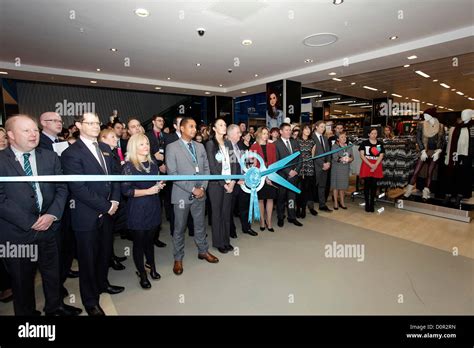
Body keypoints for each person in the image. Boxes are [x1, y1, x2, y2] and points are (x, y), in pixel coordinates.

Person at [0, 115, 80, 316]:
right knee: (22, 281)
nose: (33, 134)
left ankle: (55, 308)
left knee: (53, 274)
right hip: (17, 234)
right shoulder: (1, 160)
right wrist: (31, 222)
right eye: (26, 130)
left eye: (35, 130)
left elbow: (62, 188)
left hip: (49, 228)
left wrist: (52, 215)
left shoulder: (49, 156)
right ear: (10, 135)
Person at [61, 112, 124, 316]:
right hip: (86, 215)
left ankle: (103, 284)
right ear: (79, 125)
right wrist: (106, 206)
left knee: (104, 253)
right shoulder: (71, 153)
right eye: (90, 123)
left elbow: (115, 177)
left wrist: (114, 200)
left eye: (97, 123)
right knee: (88, 260)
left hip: (108, 211)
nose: (96, 126)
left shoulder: (104, 149)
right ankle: (91, 302)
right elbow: (78, 188)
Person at [165, 117, 219, 276]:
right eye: (190, 126)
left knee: (200, 224)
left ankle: (203, 251)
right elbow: (172, 174)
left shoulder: (200, 146)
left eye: (195, 126)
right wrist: (192, 189)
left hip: (200, 193)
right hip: (182, 195)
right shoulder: (172, 147)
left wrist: (202, 187)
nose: (194, 129)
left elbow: (206, 169)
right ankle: (178, 258)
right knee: (179, 228)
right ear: (182, 128)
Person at [121, 134, 165, 289]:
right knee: (139, 243)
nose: (146, 146)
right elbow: (126, 191)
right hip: (137, 209)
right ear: (134, 147)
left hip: (153, 206)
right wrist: (148, 191)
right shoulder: (128, 166)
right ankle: (142, 273)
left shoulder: (153, 164)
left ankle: (151, 266)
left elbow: (156, 183)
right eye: (141, 144)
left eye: (147, 143)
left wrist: (159, 185)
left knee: (150, 241)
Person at [205, 118, 237, 253]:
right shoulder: (210, 144)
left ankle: (226, 240)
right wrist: (223, 183)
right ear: (214, 128)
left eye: (224, 124)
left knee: (226, 213)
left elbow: (234, 163)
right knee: (217, 213)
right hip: (216, 185)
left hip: (230, 182)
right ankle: (218, 242)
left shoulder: (228, 143)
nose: (224, 127)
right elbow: (212, 167)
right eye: (220, 125)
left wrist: (233, 181)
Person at [99, 129, 128, 270]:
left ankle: (112, 256)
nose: (116, 139)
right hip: (108, 200)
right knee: (106, 234)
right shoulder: (104, 154)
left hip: (116, 196)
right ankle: (109, 259)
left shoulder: (113, 153)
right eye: (112, 137)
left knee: (110, 232)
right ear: (102, 138)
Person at [164, 116, 195, 238]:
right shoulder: (170, 140)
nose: (193, 129)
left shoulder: (196, 145)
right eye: (190, 126)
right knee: (178, 221)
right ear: (178, 127)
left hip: (195, 184)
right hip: (178, 185)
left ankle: (193, 232)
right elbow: (172, 169)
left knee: (196, 219)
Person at [226, 124, 258, 237]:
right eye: (238, 133)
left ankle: (246, 227)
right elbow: (226, 168)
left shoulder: (239, 146)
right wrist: (236, 179)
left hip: (243, 182)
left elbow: (242, 163)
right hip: (232, 183)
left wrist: (251, 162)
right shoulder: (226, 147)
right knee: (230, 209)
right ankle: (231, 230)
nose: (241, 134)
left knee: (245, 206)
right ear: (231, 134)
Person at [145, 114, 167, 248]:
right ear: (153, 122)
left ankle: (156, 237)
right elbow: (144, 154)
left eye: (163, 120)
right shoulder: (147, 136)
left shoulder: (165, 136)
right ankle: (149, 238)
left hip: (165, 173)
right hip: (152, 172)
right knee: (152, 204)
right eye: (159, 120)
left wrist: (166, 164)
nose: (162, 122)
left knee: (160, 205)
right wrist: (157, 162)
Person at [250, 127, 278, 231]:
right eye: (264, 133)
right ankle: (262, 221)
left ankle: (269, 221)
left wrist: (270, 176)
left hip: (270, 176)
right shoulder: (253, 147)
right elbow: (252, 165)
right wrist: (262, 176)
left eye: (267, 133)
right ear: (259, 134)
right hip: (259, 177)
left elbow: (274, 162)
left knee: (270, 198)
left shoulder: (272, 146)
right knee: (260, 199)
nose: (266, 135)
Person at [275, 123, 303, 227]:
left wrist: (296, 170)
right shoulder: (276, 144)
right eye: (286, 130)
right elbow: (277, 161)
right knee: (281, 198)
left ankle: (292, 217)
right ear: (281, 132)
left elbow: (300, 158)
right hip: (282, 176)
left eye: (289, 130)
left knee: (292, 197)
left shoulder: (295, 142)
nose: (289, 132)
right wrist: (288, 171)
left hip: (294, 175)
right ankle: (280, 217)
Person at [359, 128, 384, 212]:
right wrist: (370, 165)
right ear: (369, 134)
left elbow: (381, 155)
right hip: (366, 165)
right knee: (366, 186)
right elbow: (362, 155)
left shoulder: (379, 144)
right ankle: (367, 204)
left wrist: (375, 165)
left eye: (375, 133)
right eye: (372, 133)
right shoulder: (364, 143)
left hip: (376, 166)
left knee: (374, 186)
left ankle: (372, 204)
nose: (374, 135)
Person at [296, 125, 317, 218]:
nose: (308, 130)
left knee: (307, 189)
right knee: (299, 189)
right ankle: (298, 208)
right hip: (299, 167)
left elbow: (312, 156)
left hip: (309, 166)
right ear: (302, 130)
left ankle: (304, 209)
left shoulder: (312, 141)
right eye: (306, 128)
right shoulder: (296, 140)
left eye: (309, 129)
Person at [311, 121, 332, 212]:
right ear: (316, 127)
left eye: (324, 127)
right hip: (315, 166)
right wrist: (322, 164)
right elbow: (312, 154)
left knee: (322, 187)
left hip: (325, 166)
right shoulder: (311, 138)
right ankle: (310, 207)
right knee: (312, 188)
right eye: (321, 127)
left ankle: (322, 205)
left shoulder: (325, 138)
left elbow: (328, 152)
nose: (323, 129)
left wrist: (328, 163)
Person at [331, 132, 353, 210]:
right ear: (338, 139)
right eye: (342, 137)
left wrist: (350, 159)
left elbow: (352, 157)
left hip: (345, 168)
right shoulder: (335, 147)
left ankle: (342, 202)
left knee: (342, 187)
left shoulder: (349, 146)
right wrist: (343, 159)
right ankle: (336, 203)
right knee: (336, 186)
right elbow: (335, 157)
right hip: (337, 168)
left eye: (345, 137)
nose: (344, 139)